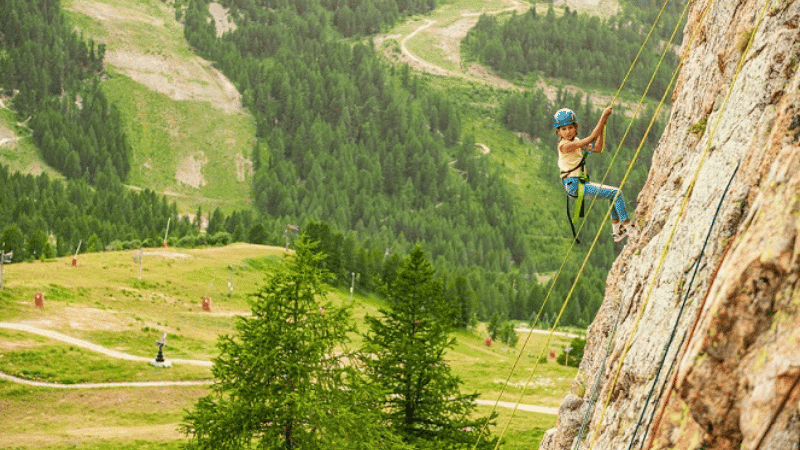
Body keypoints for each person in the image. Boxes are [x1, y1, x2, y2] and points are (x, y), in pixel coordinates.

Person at [553, 107, 635, 243]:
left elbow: (597, 148)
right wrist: (603, 117)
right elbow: (591, 138)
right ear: (558, 131)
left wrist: (602, 128)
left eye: (570, 128)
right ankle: (628, 228)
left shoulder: (575, 142)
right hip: (574, 185)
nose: (567, 132)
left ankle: (617, 231)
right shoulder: (564, 146)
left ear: (575, 128)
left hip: (579, 184)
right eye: (563, 129)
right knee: (617, 193)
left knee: (612, 195)